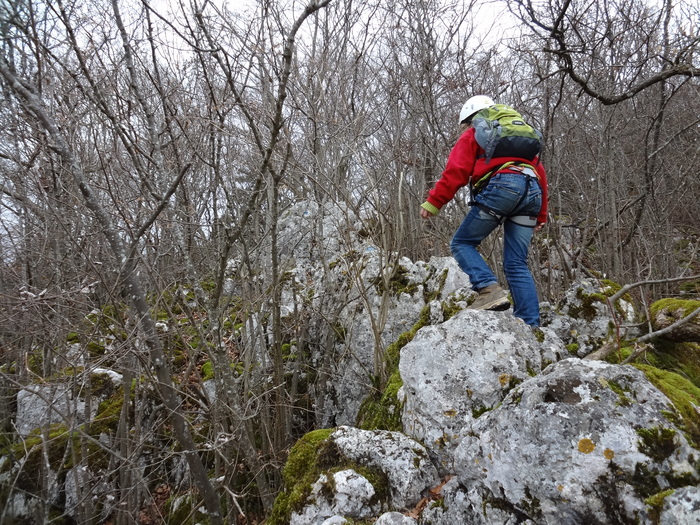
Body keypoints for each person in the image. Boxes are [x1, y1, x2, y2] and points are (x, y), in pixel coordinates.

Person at [419, 95, 548, 326]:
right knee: (517, 263)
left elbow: (455, 172)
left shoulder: (476, 131)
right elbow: (541, 174)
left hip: (503, 188)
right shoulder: (518, 137)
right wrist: (541, 214)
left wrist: (434, 202)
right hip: (532, 192)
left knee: (461, 243)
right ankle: (530, 324)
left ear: (470, 120)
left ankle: (488, 288)